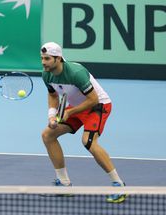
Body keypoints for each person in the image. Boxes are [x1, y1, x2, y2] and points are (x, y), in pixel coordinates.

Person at [40, 42, 127, 203]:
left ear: (58, 59)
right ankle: (64, 184)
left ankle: (119, 185)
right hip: (76, 106)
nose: (43, 62)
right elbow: (53, 96)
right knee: (48, 135)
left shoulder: (76, 72)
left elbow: (93, 99)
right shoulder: (46, 74)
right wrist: (52, 115)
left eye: (47, 58)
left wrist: (69, 112)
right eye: (42, 58)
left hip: (98, 105)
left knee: (88, 142)